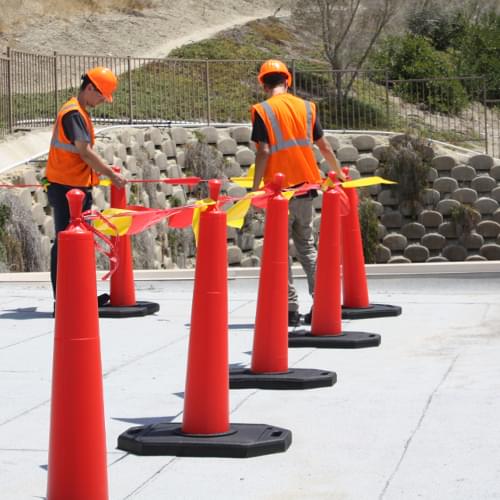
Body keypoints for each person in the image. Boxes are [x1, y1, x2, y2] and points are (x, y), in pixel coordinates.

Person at [250, 59, 345, 326]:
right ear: (287, 80)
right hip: (306, 187)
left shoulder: (262, 110)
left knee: (279, 251)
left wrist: (255, 188)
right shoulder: (307, 107)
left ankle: (289, 307)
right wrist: (337, 173)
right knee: (307, 247)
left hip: (279, 193)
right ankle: (322, 302)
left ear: (263, 83)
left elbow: (264, 152)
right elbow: (324, 146)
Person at [45, 66, 127, 300]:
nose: (102, 100)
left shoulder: (78, 111)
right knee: (66, 242)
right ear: (90, 87)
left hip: (72, 186)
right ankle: (65, 300)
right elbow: (85, 153)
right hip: (67, 189)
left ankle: (78, 297)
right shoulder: (74, 113)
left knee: (75, 242)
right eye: (101, 95)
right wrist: (111, 174)